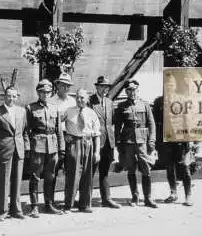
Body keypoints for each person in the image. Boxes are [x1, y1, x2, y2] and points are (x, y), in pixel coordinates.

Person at [0, 86, 30, 221]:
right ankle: (1, 211)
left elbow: (24, 132)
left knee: (17, 181)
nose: (11, 99)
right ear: (4, 96)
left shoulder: (22, 111)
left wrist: (26, 148)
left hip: (19, 149)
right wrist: (0, 146)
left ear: (17, 97)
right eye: (8, 96)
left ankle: (16, 210)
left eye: (14, 96)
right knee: (3, 181)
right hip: (3, 150)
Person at [115, 79, 157, 208]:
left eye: (133, 90)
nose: (131, 92)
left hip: (142, 142)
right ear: (126, 92)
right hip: (127, 142)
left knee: (146, 168)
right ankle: (135, 196)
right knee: (130, 168)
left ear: (137, 90)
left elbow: (151, 124)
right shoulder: (121, 106)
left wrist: (151, 141)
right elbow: (117, 127)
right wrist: (118, 143)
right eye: (129, 90)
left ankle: (148, 198)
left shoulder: (144, 104)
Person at [26, 79, 65, 217]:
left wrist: (62, 149)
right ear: (38, 92)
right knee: (35, 177)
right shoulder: (30, 108)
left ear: (51, 93)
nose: (45, 95)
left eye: (48, 92)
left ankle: (49, 204)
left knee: (50, 176)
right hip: (37, 145)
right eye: (42, 92)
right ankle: (34, 206)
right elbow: (26, 130)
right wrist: (27, 148)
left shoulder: (55, 108)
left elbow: (59, 130)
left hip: (53, 146)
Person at [62, 89, 101, 213]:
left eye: (82, 98)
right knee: (73, 175)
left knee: (87, 175)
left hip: (88, 144)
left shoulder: (92, 113)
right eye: (78, 97)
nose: (79, 100)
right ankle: (68, 204)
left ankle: (84, 204)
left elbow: (97, 134)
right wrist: (64, 135)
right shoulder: (68, 111)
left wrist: (96, 152)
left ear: (87, 99)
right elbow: (57, 124)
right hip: (74, 144)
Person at [152, 96, 193, 206]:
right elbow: (155, 123)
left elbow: (188, 122)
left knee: (184, 167)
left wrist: (189, 141)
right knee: (169, 168)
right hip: (165, 142)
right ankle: (173, 193)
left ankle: (188, 196)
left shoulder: (182, 101)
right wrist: (157, 142)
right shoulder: (158, 102)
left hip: (180, 140)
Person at [88, 76, 120, 209]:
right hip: (95, 142)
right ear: (97, 87)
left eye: (107, 87)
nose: (104, 89)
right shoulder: (90, 101)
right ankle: (86, 200)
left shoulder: (109, 102)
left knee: (105, 172)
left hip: (108, 142)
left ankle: (106, 199)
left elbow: (111, 122)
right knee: (90, 172)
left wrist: (113, 141)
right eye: (102, 86)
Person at [47, 72, 76, 200]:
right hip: (56, 138)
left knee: (71, 169)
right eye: (63, 85)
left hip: (70, 137)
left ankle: (69, 199)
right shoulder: (51, 101)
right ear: (57, 85)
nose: (65, 88)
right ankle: (50, 200)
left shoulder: (73, 101)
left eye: (68, 85)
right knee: (53, 169)